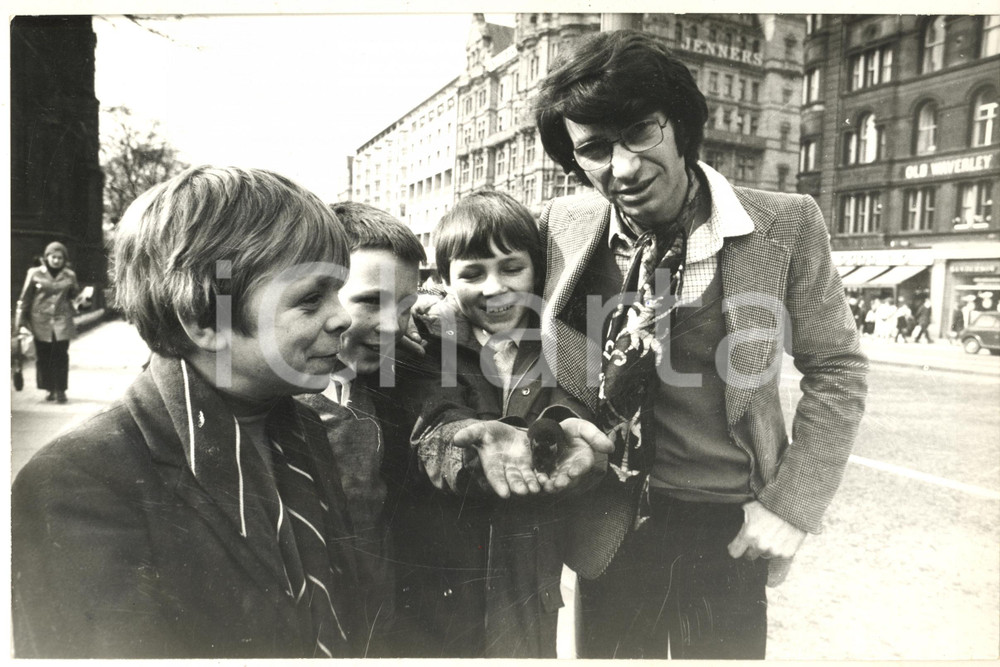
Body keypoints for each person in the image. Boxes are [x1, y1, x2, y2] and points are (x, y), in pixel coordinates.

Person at [532, 30, 868, 659]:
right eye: (595, 149)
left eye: (640, 133)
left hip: (728, 527)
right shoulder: (563, 224)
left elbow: (838, 369)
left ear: (681, 126)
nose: (623, 168)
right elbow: (498, 310)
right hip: (608, 527)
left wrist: (792, 508)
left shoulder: (786, 223)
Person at [12, 166, 365, 658]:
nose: (343, 316)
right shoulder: (77, 484)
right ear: (204, 319)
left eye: (338, 291)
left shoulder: (303, 424)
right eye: (310, 299)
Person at [401, 191, 612, 658]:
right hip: (445, 580)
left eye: (511, 268)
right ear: (443, 279)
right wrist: (470, 447)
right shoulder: (428, 343)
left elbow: (579, 429)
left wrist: (560, 441)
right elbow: (432, 425)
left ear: (537, 271)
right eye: (473, 273)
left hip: (528, 579)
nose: (494, 288)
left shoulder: (564, 346)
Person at [295, 201, 426, 656]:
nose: (392, 325)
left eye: (406, 308)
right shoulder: (279, 400)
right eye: (371, 301)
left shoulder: (377, 386)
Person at [13, 241, 84, 403]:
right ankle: (49, 388)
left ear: (64, 259)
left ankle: (60, 390)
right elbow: (24, 299)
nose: (56, 260)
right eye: (53, 257)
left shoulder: (69, 275)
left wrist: (82, 301)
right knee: (44, 356)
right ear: (47, 257)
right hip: (40, 321)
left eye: (60, 258)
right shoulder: (34, 273)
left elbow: (75, 296)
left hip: (62, 321)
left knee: (61, 355)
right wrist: (19, 323)